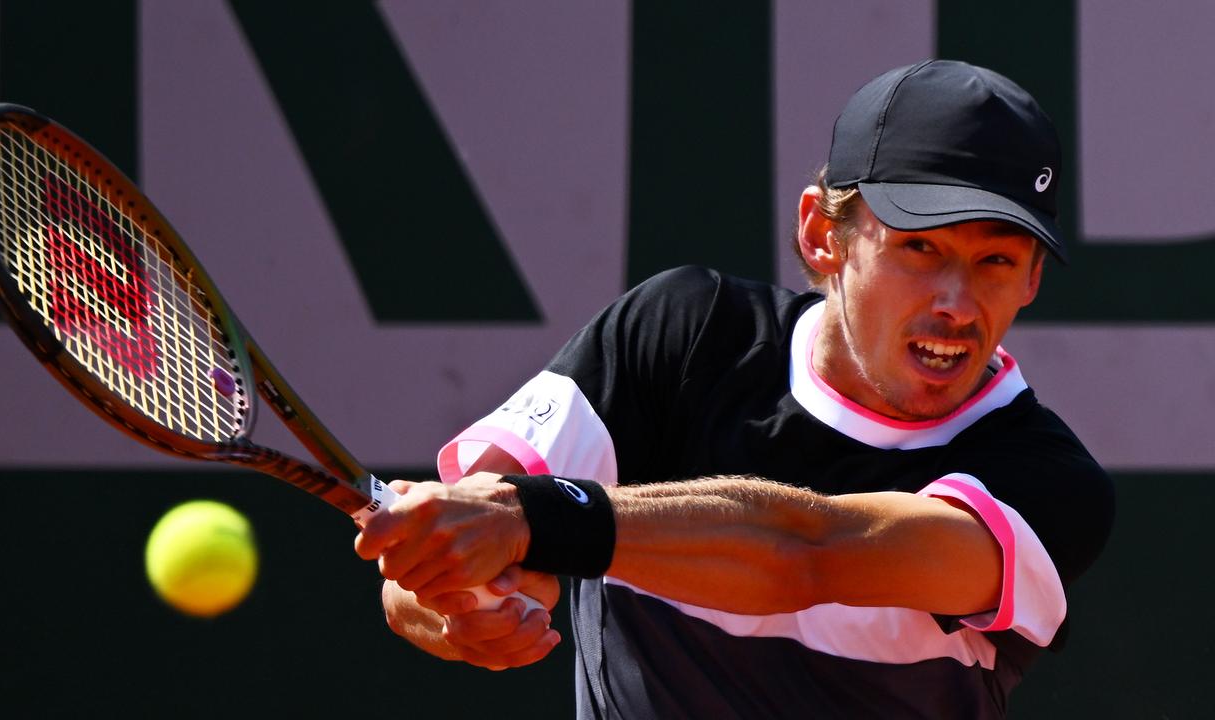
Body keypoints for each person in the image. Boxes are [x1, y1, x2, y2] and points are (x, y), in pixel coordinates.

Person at [355, 59, 1115, 718]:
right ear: (823, 233)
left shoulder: (1047, 487)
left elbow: (806, 552)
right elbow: (447, 554)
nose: (957, 300)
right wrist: (461, 607)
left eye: (997, 262)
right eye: (919, 247)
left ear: (1033, 279)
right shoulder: (681, 334)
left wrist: (537, 520)